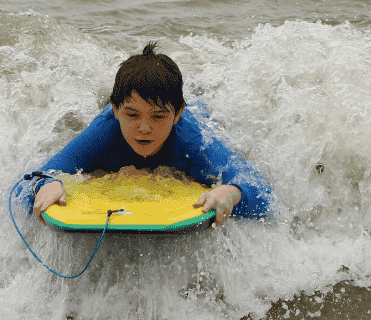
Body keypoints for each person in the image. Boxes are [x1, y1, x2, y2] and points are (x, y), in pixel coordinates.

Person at [22, 42, 274, 228]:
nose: (144, 128)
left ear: (177, 114)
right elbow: (24, 186)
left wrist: (231, 192)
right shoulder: (104, 133)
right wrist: (46, 183)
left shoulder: (193, 141)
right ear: (115, 109)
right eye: (132, 115)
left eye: (158, 117)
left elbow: (266, 199)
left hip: (199, 110)